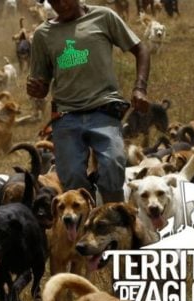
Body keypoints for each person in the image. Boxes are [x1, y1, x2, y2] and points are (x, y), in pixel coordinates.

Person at [27, 0, 150, 203]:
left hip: (104, 110)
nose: (62, 4)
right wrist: (36, 89)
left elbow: (141, 50)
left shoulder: (103, 17)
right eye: (54, 1)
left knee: (112, 165)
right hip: (66, 116)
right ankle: (86, 223)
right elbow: (41, 85)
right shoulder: (43, 34)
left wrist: (139, 88)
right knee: (73, 179)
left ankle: (114, 218)